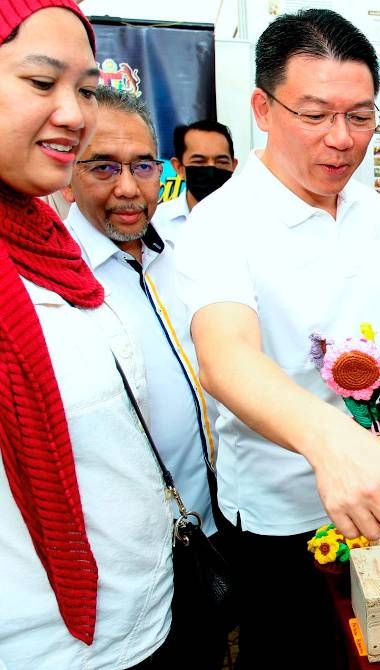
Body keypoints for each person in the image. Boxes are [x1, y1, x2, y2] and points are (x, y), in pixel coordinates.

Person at [172, 9, 380, 668]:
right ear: (263, 109)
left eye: (360, 116)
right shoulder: (220, 224)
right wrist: (334, 444)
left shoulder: (368, 206)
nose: (341, 139)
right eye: (316, 114)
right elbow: (226, 356)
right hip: (282, 513)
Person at [0, 3, 175, 668]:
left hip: (141, 612)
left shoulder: (47, 248)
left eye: (85, 88)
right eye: (42, 83)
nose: (73, 114)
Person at [61, 87, 226, 667]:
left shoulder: (181, 257)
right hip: (120, 564)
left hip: (205, 527)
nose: (129, 188)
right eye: (104, 167)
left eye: (142, 166)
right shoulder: (52, 284)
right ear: (67, 175)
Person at [154, 119, 238, 241]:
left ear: (233, 166)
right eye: (199, 161)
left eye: (221, 162)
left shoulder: (253, 220)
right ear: (179, 167)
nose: (211, 170)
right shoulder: (156, 223)